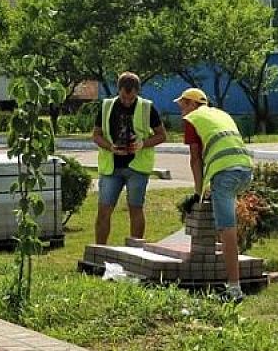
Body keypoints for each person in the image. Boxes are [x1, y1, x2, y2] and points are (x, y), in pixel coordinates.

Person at [175, 87, 253, 303]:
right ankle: (228, 265)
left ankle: (235, 289)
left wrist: (198, 193)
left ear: (192, 104)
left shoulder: (193, 119)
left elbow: (195, 159)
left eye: (182, 104)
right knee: (225, 222)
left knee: (226, 230)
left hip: (225, 175)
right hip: (245, 171)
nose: (181, 109)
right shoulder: (221, 114)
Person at [91, 72, 166, 245]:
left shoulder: (147, 107)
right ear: (118, 91)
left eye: (131, 99)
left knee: (135, 209)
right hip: (111, 167)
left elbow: (162, 136)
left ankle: (136, 252)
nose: (127, 102)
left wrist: (142, 144)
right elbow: (96, 135)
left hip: (137, 167)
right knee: (104, 210)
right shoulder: (106, 106)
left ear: (137, 92)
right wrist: (111, 147)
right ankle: (99, 252)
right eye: (124, 97)